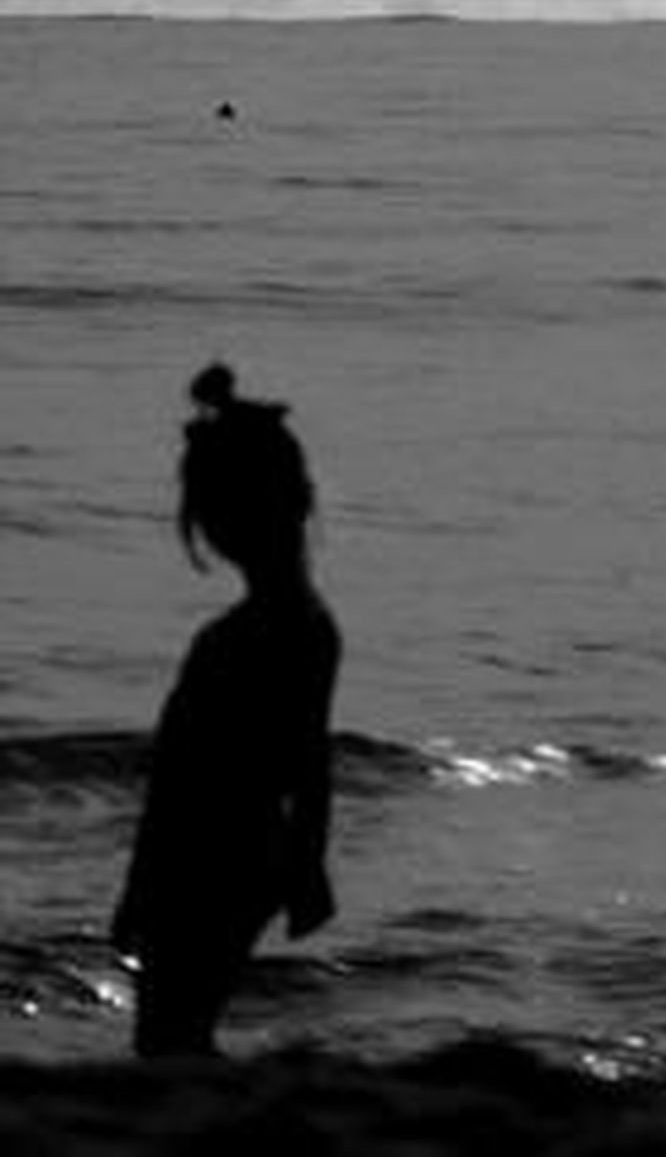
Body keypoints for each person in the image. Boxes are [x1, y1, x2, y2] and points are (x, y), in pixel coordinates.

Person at [112, 363, 341, 1057]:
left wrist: (305, 863)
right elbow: (306, 761)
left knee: (168, 1033)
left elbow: (296, 761)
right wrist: (303, 863)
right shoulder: (288, 625)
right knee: (175, 1028)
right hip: (227, 852)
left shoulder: (266, 633)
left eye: (214, 504)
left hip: (215, 854)